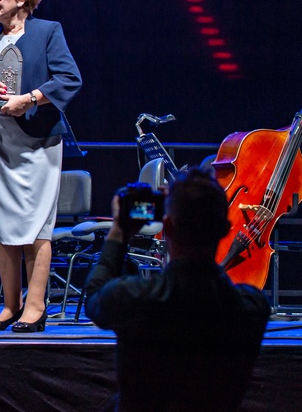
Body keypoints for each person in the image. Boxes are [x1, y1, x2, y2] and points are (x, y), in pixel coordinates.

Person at [85, 169, 271, 411]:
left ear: (169, 226)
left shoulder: (137, 298)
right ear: (225, 229)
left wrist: (119, 232)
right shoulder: (251, 308)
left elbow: (96, 294)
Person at [0, 0, 82, 332]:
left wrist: (31, 98)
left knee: (36, 227)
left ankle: (35, 307)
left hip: (38, 143)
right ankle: (9, 306)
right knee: (3, 227)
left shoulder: (48, 32)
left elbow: (69, 78)